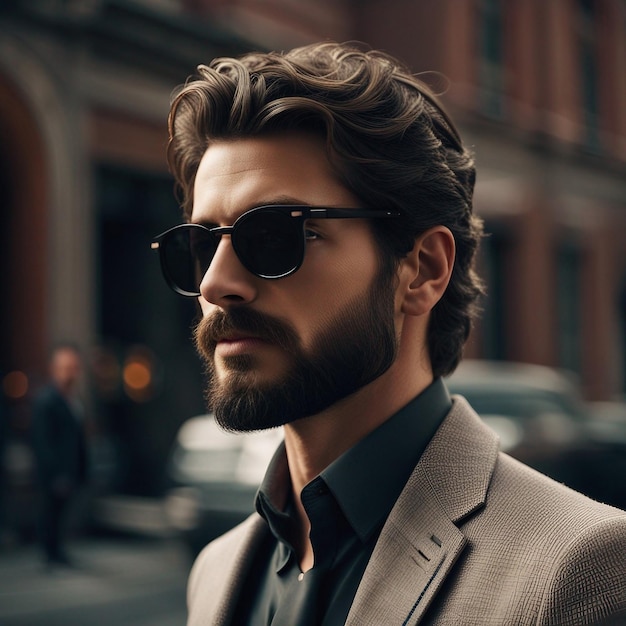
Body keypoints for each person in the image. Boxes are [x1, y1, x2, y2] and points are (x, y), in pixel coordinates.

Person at [152, 42, 626, 625]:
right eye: (202, 245)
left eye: (275, 234)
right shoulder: (216, 573)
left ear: (422, 269)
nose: (216, 283)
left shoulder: (578, 570)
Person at [32, 343, 88, 567]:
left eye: (73, 367)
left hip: (70, 469)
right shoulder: (47, 400)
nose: (70, 373)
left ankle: (57, 553)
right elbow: (42, 441)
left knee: (62, 514)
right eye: (65, 367)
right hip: (54, 472)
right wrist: (55, 473)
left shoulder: (72, 399)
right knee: (51, 513)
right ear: (54, 369)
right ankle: (51, 555)